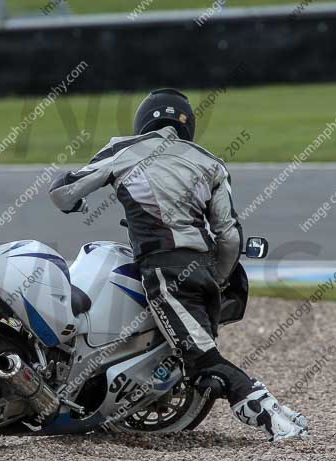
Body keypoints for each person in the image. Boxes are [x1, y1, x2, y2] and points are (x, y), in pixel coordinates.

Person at [49, 88, 308, 442]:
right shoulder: (211, 162)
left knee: (204, 364)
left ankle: (280, 425)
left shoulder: (123, 149)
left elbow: (63, 192)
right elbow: (230, 236)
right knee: (200, 354)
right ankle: (284, 414)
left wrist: (71, 205)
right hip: (199, 270)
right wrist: (215, 278)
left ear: (143, 123)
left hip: (164, 271)